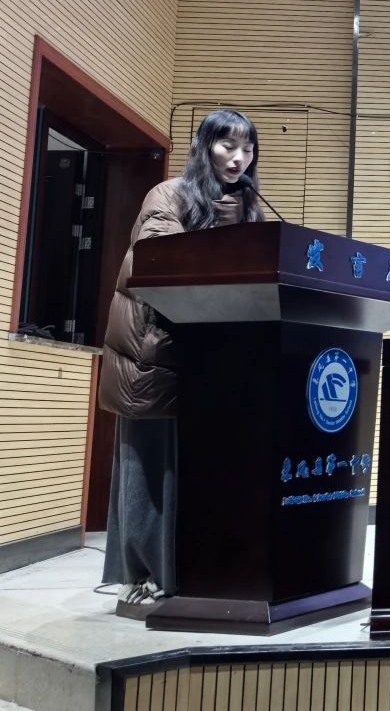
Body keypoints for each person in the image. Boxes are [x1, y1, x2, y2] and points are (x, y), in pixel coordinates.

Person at [98, 109, 262, 618]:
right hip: (155, 348)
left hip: (214, 359)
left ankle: (197, 568)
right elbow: (162, 263)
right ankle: (145, 574)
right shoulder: (168, 196)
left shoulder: (248, 207)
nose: (238, 158)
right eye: (227, 145)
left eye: (248, 149)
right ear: (203, 146)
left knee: (201, 469)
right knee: (152, 466)